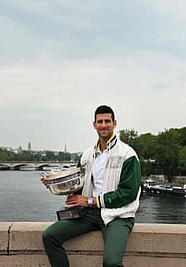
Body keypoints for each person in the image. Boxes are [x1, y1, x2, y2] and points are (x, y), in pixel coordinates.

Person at [41, 105, 142, 267]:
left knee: (111, 262)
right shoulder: (87, 155)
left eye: (107, 121)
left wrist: (90, 201)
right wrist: (54, 183)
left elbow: (128, 193)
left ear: (114, 123)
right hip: (90, 213)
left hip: (118, 215)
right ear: (94, 125)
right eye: (100, 121)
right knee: (49, 236)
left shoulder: (128, 154)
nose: (103, 125)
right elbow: (77, 186)